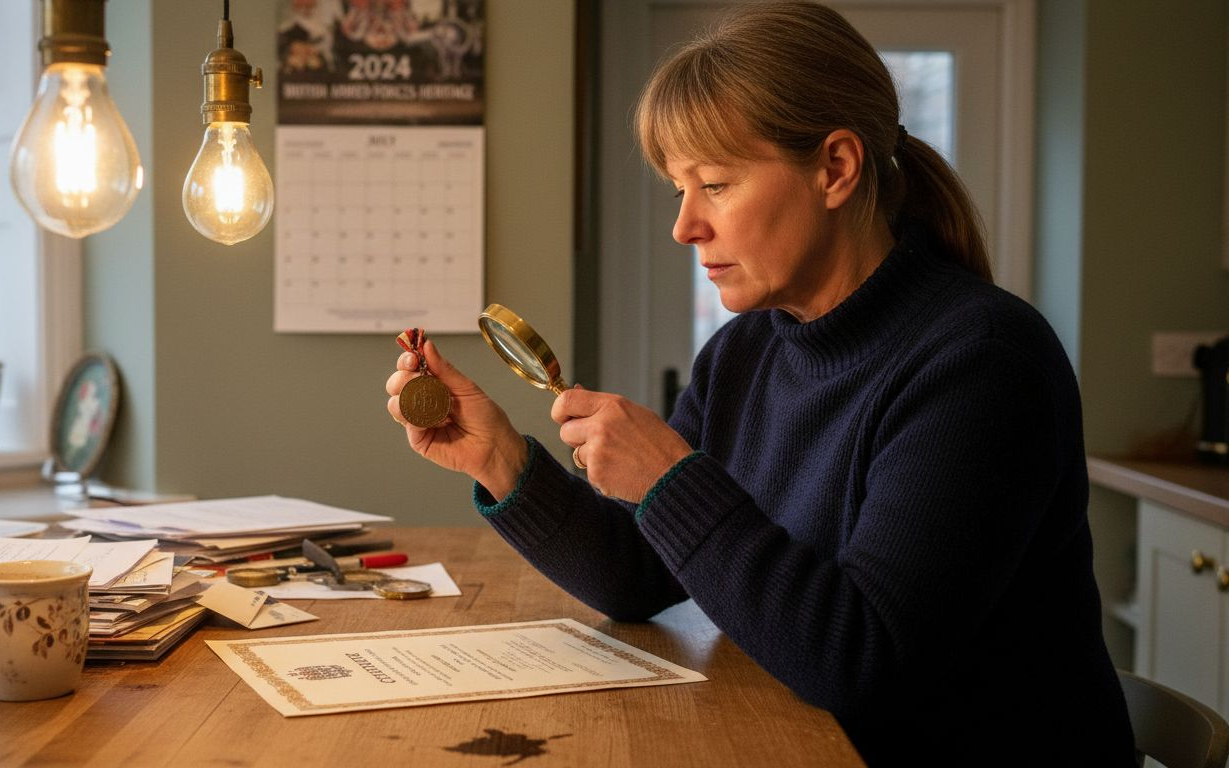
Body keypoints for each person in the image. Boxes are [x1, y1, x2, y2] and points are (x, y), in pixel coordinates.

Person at [385, 3, 1133, 763]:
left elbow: (861, 658)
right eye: (679, 188)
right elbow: (643, 575)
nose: (684, 226)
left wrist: (672, 482)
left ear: (835, 168)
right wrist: (499, 460)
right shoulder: (744, 353)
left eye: (714, 183)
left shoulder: (982, 362)